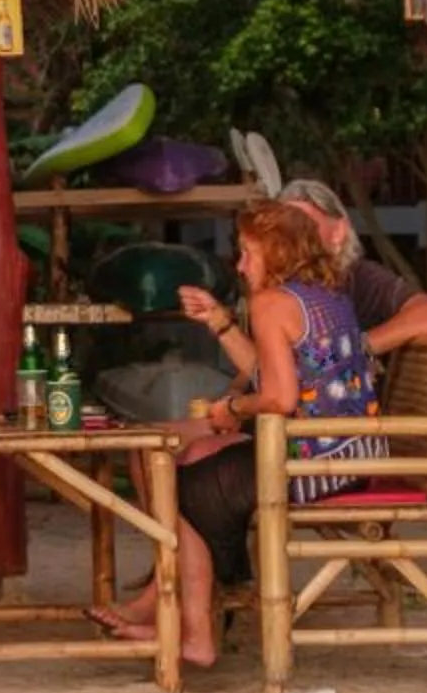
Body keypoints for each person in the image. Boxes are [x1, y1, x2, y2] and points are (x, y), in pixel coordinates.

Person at [92, 201, 387, 666]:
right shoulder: (325, 295)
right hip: (353, 455)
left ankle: (196, 632)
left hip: (313, 463)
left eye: (249, 252)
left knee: (181, 486)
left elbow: (279, 399)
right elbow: (272, 374)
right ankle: (186, 616)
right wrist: (221, 323)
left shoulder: (271, 303)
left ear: (280, 252)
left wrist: (232, 407)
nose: (240, 265)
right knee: (185, 467)